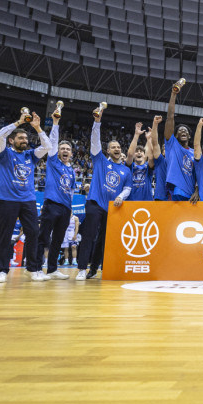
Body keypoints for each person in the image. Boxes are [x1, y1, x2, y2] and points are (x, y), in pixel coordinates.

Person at [0, 110, 52, 283]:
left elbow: (47, 147)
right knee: (5, 235)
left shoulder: (30, 155)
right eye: (21, 138)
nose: (24, 141)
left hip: (28, 199)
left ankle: (32, 269)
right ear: (12, 140)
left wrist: (38, 128)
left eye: (26, 138)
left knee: (33, 232)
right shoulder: (3, 153)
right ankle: (2, 270)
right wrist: (18, 122)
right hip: (6, 199)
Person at [76, 107, 132, 281]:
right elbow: (94, 141)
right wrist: (97, 122)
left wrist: (120, 197)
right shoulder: (99, 160)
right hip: (95, 203)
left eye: (118, 147)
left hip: (112, 207)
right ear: (107, 151)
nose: (116, 148)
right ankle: (81, 269)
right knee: (89, 236)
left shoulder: (126, 170)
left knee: (105, 240)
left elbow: (128, 188)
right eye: (113, 147)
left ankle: (96, 269)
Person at [33, 106, 75, 281]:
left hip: (65, 208)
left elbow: (71, 191)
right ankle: (36, 268)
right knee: (44, 237)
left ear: (71, 153)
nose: (65, 150)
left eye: (67, 149)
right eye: (62, 148)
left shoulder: (72, 171)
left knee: (58, 240)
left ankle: (52, 269)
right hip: (51, 205)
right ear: (58, 151)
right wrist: (56, 123)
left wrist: (70, 208)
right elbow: (52, 141)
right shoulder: (53, 161)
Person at [164, 84, 195, 201]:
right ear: (175, 136)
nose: (183, 131)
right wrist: (173, 95)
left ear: (189, 136)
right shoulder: (172, 145)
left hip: (191, 193)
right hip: (176, 190)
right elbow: (170, 117)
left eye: (185, 131)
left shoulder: (194, 152)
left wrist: (197, 191)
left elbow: (199, 174)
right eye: (180, 131)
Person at [125, 122, 154, 201]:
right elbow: (130, 154)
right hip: (131, 201)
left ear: (144, 156)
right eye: (136, 151)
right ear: (134, 155)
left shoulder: (148, 167)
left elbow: (151, 156)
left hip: (147, 201)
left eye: (141, 151)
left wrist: (149, 139)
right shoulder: (130, 166)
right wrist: (136, 134)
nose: (139, 152)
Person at [148, 115, 169, 201]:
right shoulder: (161, 161)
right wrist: (155, 124)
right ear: (162, 152)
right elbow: (155, 143)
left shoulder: (177, 162)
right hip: (161, 198)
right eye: (165, 149)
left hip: (175, 198)